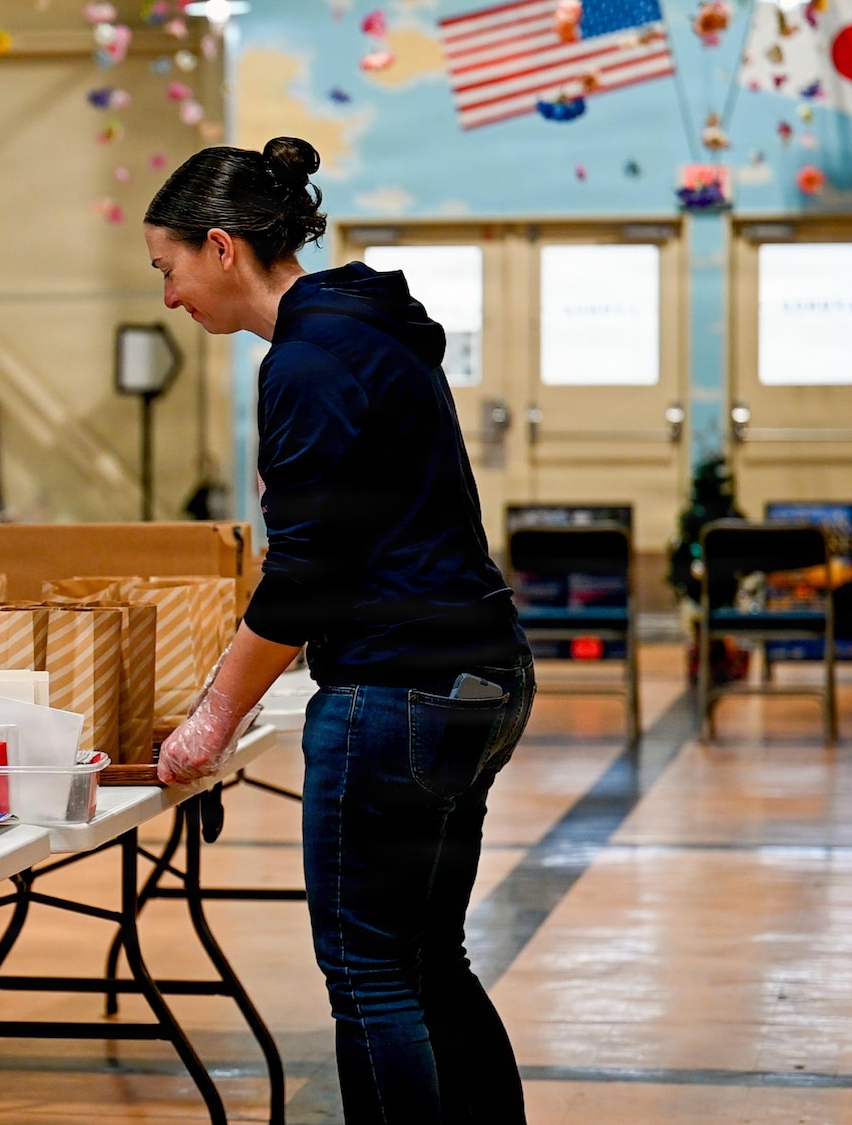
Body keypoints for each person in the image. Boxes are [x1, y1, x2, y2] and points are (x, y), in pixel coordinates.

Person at [145, 138, 535, 1124]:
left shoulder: (310, 360)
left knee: (369, 973)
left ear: (221, 248)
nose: (168, 297)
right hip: (479, 674)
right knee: (425, 956)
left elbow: (306, 579)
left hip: (396, 692)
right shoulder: (370, 331)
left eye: (168, 268)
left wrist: (209, 717)